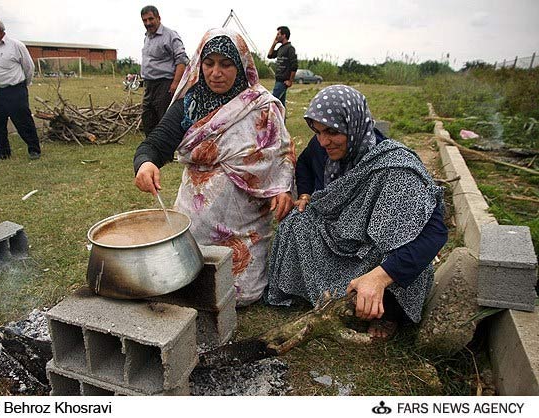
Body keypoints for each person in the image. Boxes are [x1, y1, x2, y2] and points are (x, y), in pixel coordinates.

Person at [267, 85, 448, 339]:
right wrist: (305, 193)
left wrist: (381, 277)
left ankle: (387, 312)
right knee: (295, 223)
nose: (323, 141)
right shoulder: (322, 147)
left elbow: (435, 234)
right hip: (339, 235)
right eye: (317, 132)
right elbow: (305, 164)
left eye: (332, 132)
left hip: (373, 252)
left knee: (404, 259)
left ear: (354, 124)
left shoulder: (394, 168)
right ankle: (329, 298)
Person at [134, 28, 295, 306]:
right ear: (199, 64)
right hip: (195, 222)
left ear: (241, 64)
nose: (215, 73)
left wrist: (283, 190)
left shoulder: (261, 107)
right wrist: (145, 163)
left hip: (245, 225)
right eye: (209, 64)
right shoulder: (190, 103)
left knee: (243, 296)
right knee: (187, 285)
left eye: (226, 64)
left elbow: (280, 154)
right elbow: (156, 143)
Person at [0, 16, 41, 161]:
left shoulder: (16, 45)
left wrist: (22, 85)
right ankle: (3, 152)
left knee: (23, 121)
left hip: (15, 90)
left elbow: (28, 67)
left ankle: (34, 149)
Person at [140, 5, 189, 136]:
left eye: (151, 19)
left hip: (165, 85)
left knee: (164, 120)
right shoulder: (147, 37)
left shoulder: (170, 35)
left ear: (158, 18)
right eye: (144, 20)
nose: (148, 23)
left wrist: (175, 84)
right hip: (149, 85)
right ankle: (151, 151)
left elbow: (182, 60)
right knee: (148, 118)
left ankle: (166, 154)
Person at [267, 26, 297, 109]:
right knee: (281, 106)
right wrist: (274, 43)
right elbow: (270, 55)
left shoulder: (290, 48)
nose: (276, 36)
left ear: (284, 35)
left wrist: (290, 81)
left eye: (278, 34)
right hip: (278, 81)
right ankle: (282, 121)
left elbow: (294, 65)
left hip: (283, 82)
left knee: (273, 103)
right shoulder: (281, 48)